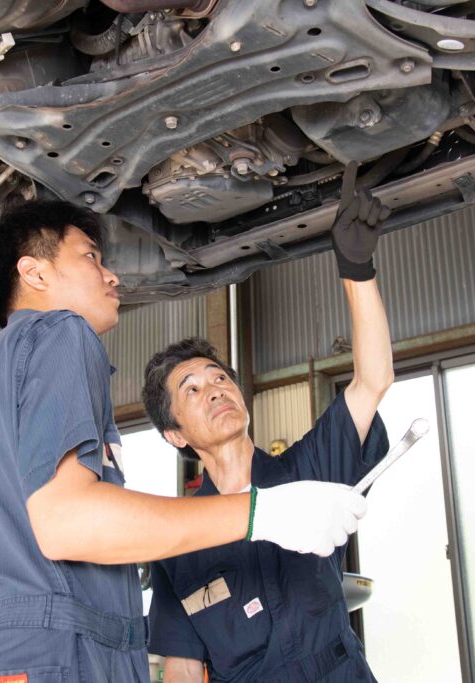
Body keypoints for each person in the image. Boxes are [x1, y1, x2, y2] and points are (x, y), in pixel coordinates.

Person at [0, 196, 378, 682]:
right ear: (35, 274)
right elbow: (67, 521)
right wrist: (266, 513)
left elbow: (372, 381)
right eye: (90, 257)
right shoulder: (62, 332)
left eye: (220, 379)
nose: (112, 276)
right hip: (64, 661)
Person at [143, 162, 394, 682]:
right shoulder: (178, 543)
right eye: (191, 390)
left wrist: (356, 268)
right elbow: (184, 668)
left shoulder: (310, 470)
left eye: (218, 378)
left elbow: (372, 380)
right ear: (176, 434)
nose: (213, 388)